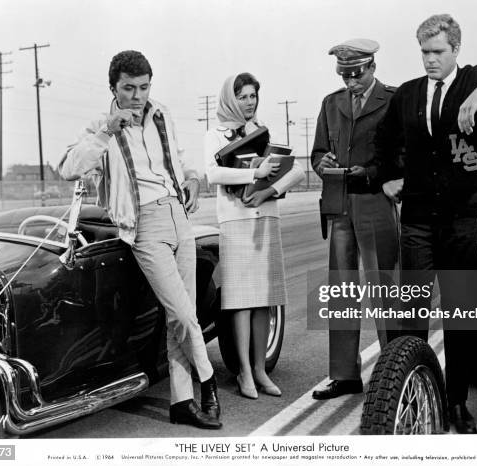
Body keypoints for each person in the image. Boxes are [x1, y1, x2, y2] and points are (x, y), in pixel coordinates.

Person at [369, 14, 477, 433]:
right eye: (424, 52)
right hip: (417, 220)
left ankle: (456, 400)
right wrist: (389, 176)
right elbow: (384, 141)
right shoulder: (408, 94)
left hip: (461, 218)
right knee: (411, 310)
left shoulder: (474, 82)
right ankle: (411, 391)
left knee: (462, 314)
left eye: (438, 52)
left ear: (456, 50)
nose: (429, 60)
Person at [58, 50, 222, 430]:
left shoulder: (160, 114)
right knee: (182, 314)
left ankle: (182, 402)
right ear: (112, 88)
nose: (137, 96)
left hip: (178, 216)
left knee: (180, 317)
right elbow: (69, 167)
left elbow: (178, 160)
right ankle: (208, 384)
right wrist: (107, 130)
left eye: (144, 87)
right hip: (144, 225)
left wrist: (193, 179)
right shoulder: (103, 126)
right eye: (128, 88)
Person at [205, 73, 304, 399]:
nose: (250, 102)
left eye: (253, 97)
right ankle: (244, 372)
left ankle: (261, 369)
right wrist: (254, 172)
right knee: (241, 303)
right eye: (244, 97)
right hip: (235, 222)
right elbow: (213, 173)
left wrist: (271, 187)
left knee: (264, 300)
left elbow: (296, 171)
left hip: (266, 220)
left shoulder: (263, 132)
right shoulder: (215, 134)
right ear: (232, 99)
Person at [310, 39, 399, 400]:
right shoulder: (331, 104)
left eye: (356, 75)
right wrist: (323, 165)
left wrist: (372, 172)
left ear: (372, 67)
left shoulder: (391, 101)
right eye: (344, 76)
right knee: (342, 292)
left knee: (384, 292)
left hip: (375, 201)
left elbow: (402, 156)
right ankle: (344, 375)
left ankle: (395, 371)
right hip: (340, 203)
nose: (350, 83)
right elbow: (317, 152)